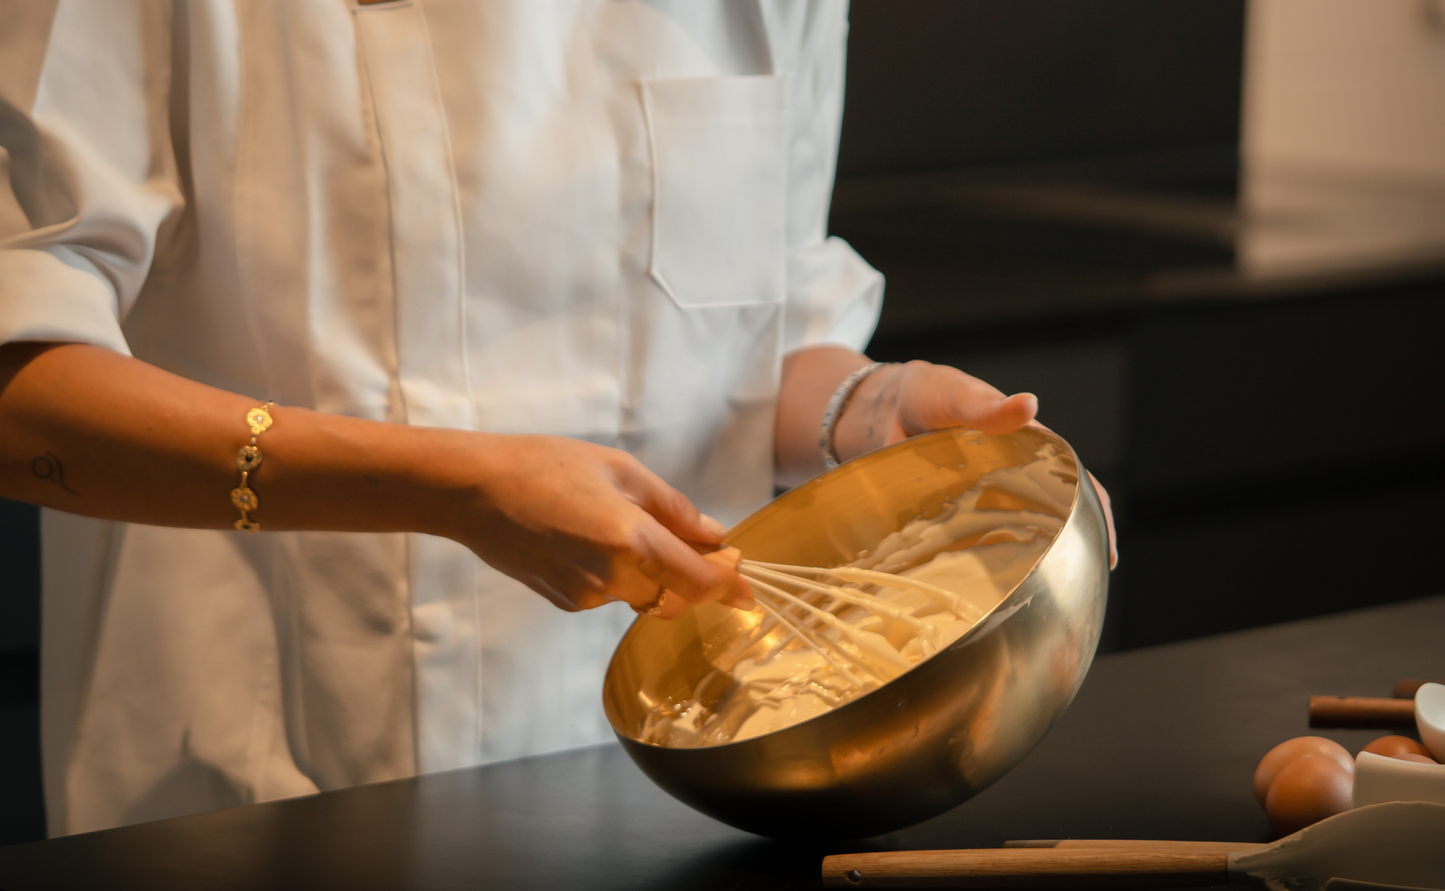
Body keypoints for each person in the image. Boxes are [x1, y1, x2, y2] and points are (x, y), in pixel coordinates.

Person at [0, 1, 1110, 836]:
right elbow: (21, 386)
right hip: (278, 787)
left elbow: (734, 337)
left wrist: (866, 415)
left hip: (693, 774)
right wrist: (452, 489)